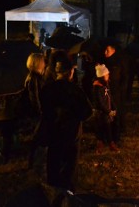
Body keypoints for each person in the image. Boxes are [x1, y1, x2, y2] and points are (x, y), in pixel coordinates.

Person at [39, 60, 92, 191]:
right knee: (70, 166)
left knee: (53, 163)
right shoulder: (75, 90)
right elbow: (87, 112)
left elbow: (42, 110)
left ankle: (53, 192)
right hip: (71, 134)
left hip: (53, 133)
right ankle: (68, 194)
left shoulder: (47, 89)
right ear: (70, 72)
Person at [24, 53, 46, 170]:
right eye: (42, 61)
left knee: (38, 138)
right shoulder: (34, 78)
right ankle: (34, 163)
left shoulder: (35, 76)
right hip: (37, 113)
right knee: (37, 138)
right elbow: (34, 97)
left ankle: (35, 162)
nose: (44, 63)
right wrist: (40, 111)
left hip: (38, 112)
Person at [92, 64, 119, 153]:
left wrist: (114, 108)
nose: (108, 76)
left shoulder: (106, 85)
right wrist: (108, 111)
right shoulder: (97, 88)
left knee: (109, 127)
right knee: (100, 128)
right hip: (101, 113)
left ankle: (111, 143)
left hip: (107, 112)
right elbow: (100, 103)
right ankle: (100, 144)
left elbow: (109, 97)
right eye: (106, 75)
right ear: (102, 76)